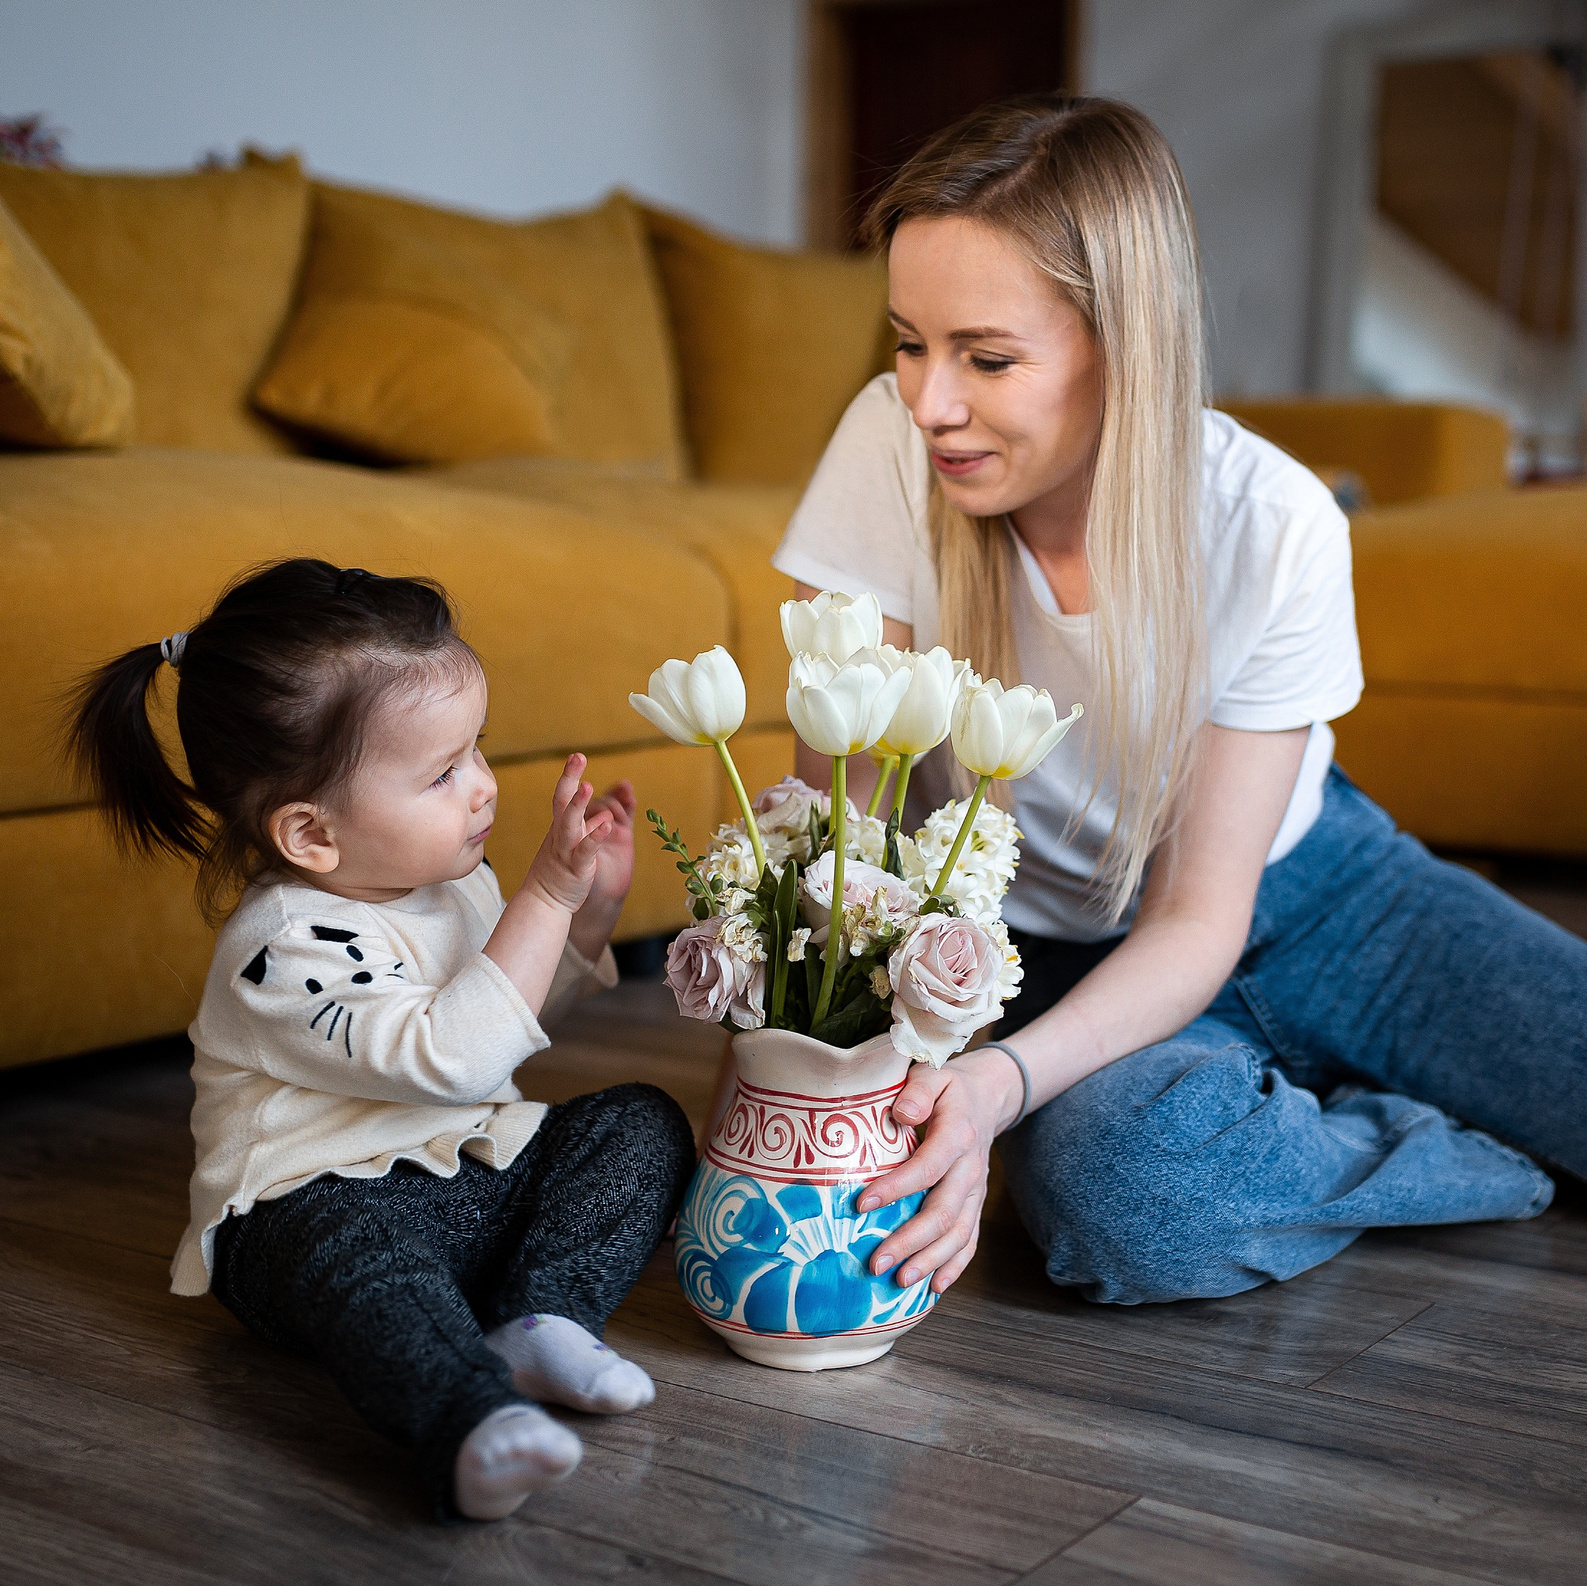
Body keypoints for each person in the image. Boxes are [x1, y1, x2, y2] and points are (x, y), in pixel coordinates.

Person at [772, 94, 1584, 1307]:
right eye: (908, 343)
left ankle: (1285, 1104)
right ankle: (1399, 1132)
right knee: (1131, 1200)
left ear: (1124, 345)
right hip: (1053, 950)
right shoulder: (888, 447)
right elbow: (844, 842)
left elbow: (1202, 914)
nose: (930, 401)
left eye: (986, 358)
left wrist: (1002, 1087)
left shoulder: (1274, 522)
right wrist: (921, 1076)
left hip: (1318, 895)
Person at [66, 558, 693, 1520]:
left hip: (463, 1175)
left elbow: (506, 1025)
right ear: (311, 835)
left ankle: (542, 1317)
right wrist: (547, 895)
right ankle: (467, 1420)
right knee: (362, 1257)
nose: (481, 788)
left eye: (476, 750)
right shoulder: (283, 949)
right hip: (307, 1216)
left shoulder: (451, 883)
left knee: (640, 1122)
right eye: (441, 773)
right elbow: (454, 1057)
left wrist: (589, 913)